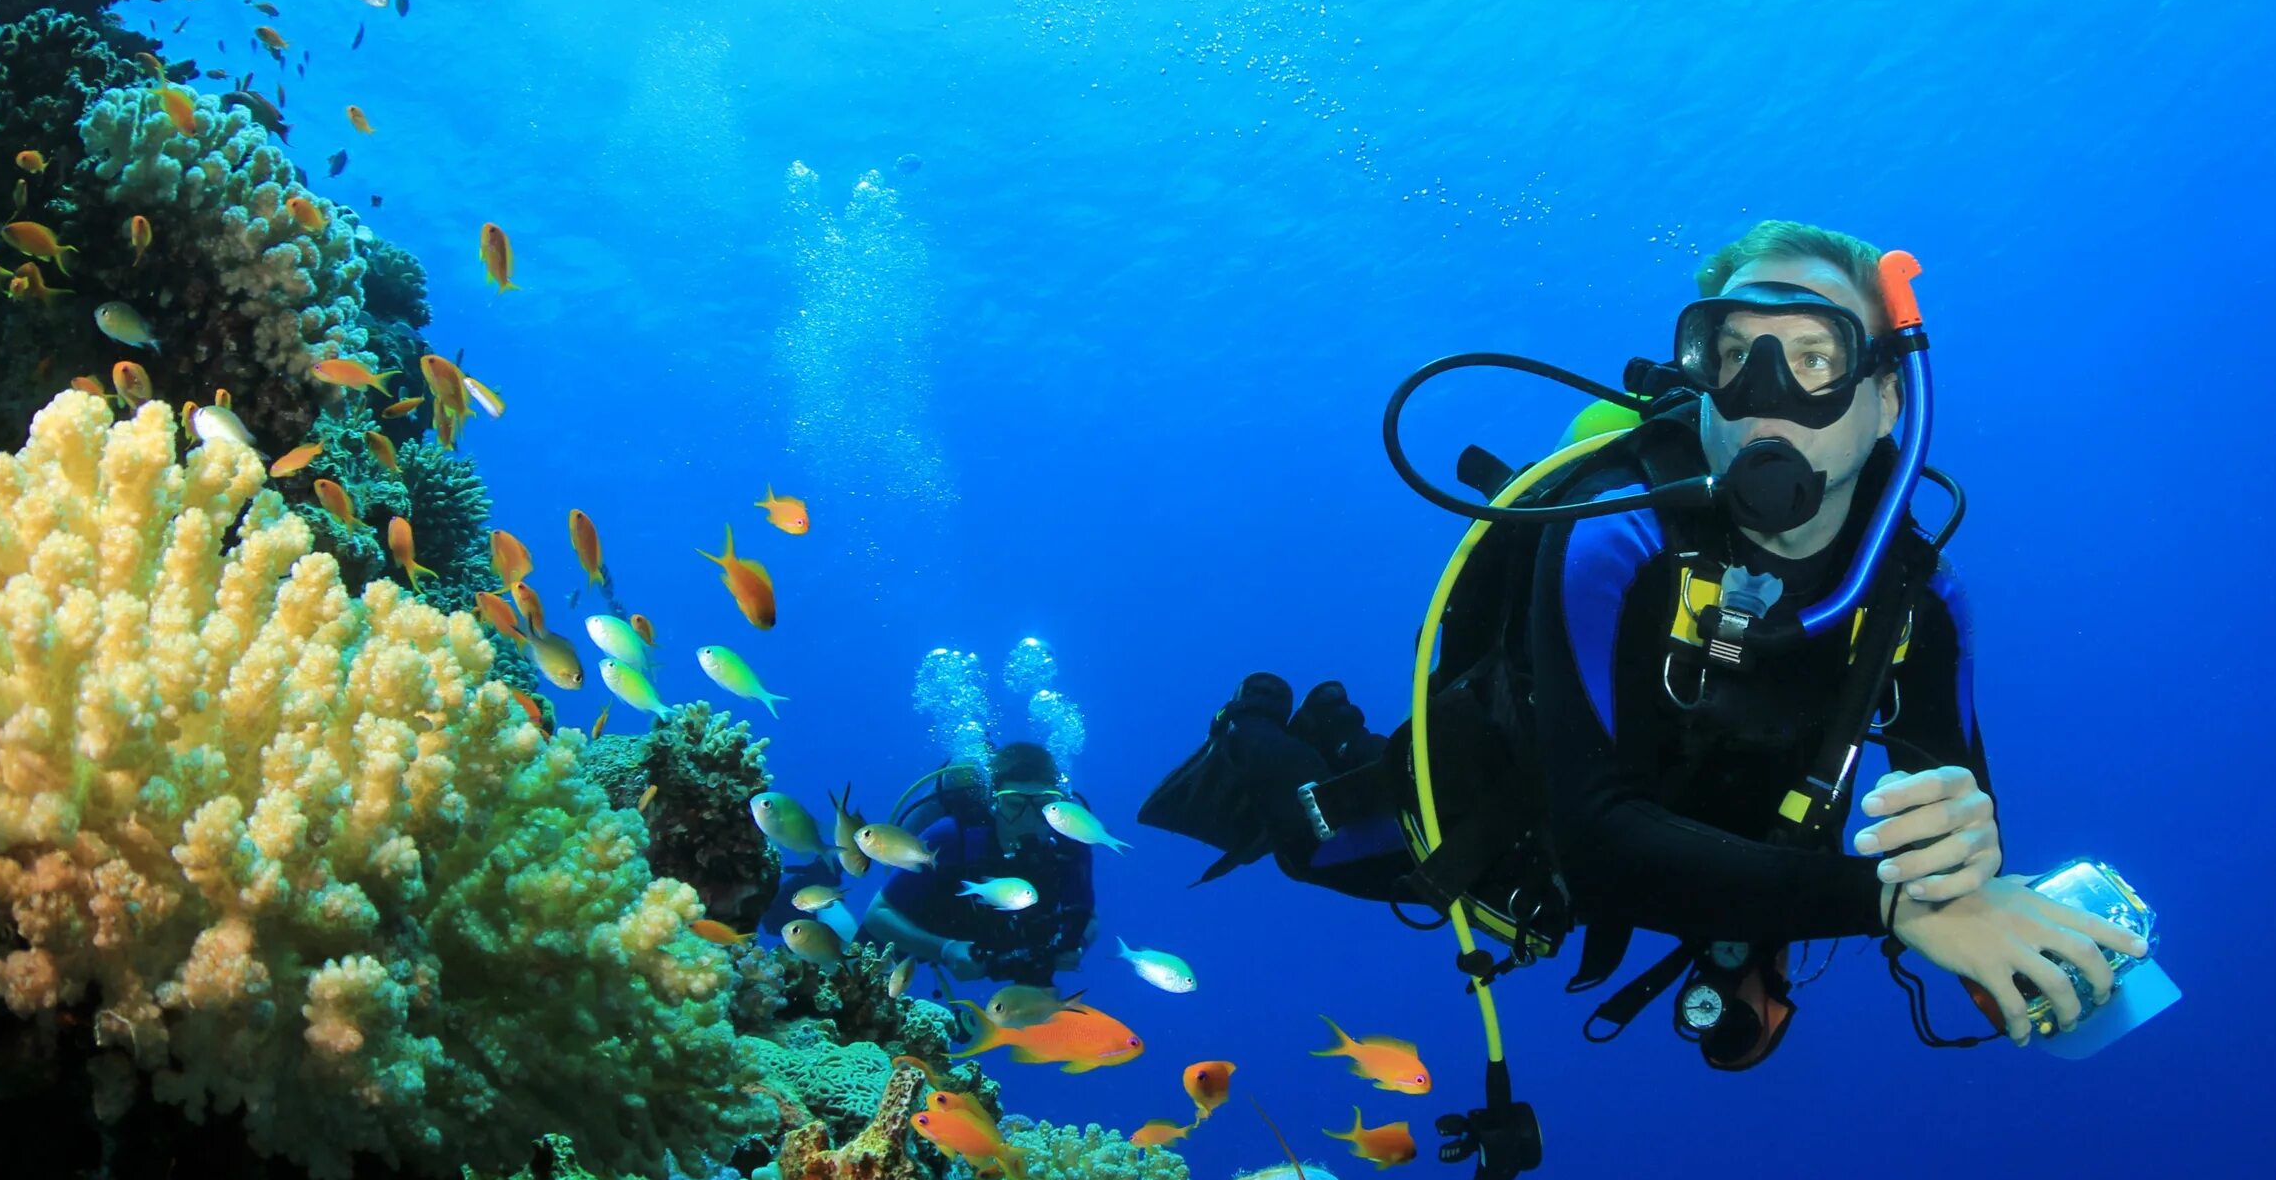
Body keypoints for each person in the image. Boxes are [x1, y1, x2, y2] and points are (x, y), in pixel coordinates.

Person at [1144, 219, 2143, 1082]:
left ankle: (1323, 725)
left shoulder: (1919, 602)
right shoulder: (1615, 537)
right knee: (1306, 842)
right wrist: (1884, 901)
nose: (1763, 394)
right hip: (1506, 810)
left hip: (1709, 836)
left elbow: (1948, 842)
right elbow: (1601, 844)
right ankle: (1262, 728)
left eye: (1815, 356)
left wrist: (1963, 855)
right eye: (1732, 351)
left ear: (1889, 396)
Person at [818, 741, 1099, 988]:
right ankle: (826, 902)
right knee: (849, 977)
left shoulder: (1070, 843)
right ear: (993, 802)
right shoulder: (952, 836)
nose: (1030, 820)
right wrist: (945, 949)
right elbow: (878, 914)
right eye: (1014, 805)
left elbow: (1087, 917)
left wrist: (1077, 946)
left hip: (997, 939)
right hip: (928, 926)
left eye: (1043, 805)